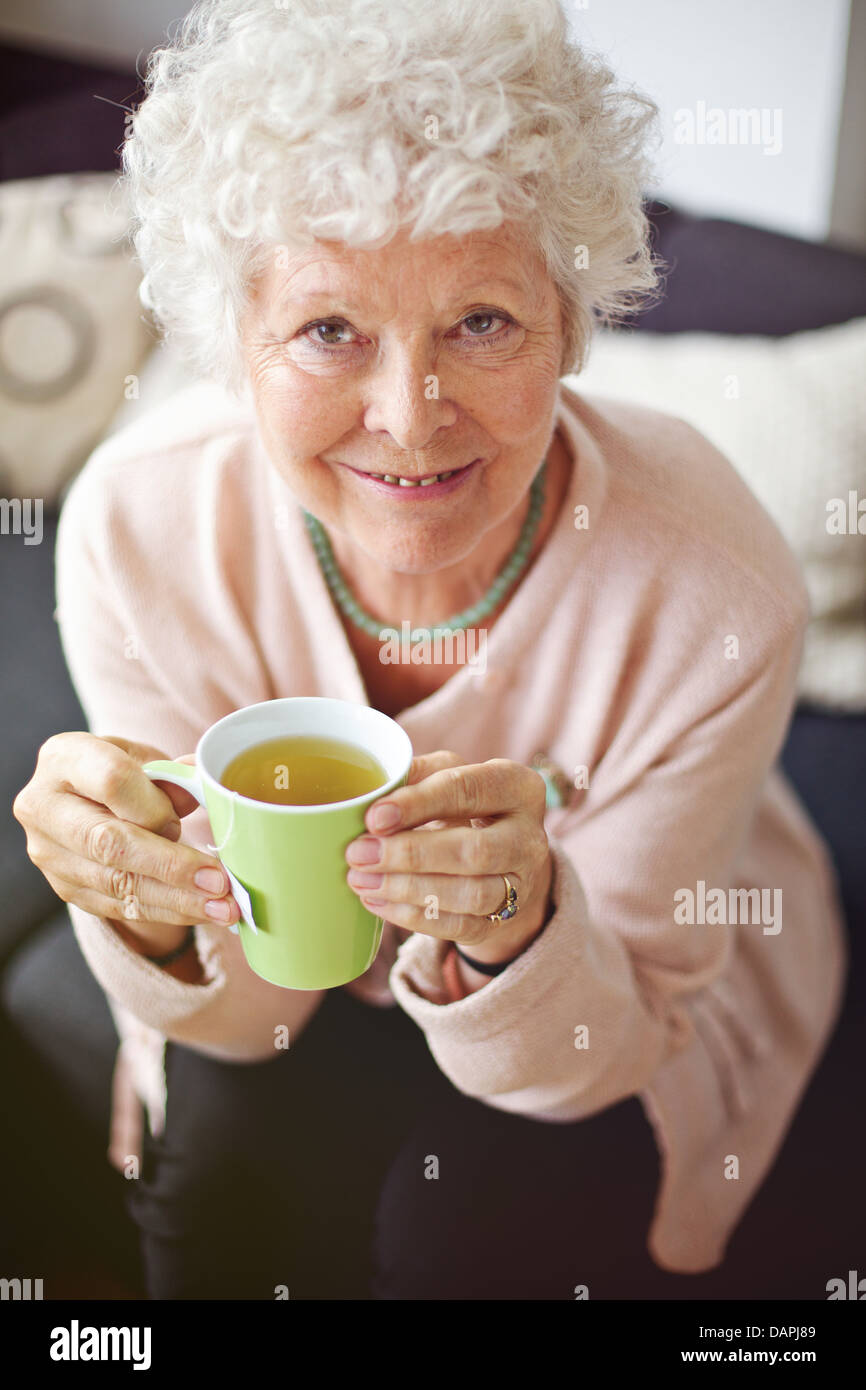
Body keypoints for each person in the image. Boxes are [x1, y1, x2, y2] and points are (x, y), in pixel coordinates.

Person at [13, 0, 846, 1299]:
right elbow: (246, 1021)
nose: (410, 418)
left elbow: (594, 1046)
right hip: (296, 991)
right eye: (329, 329)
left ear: (572, 323)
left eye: (482, 323)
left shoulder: (716, 586)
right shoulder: (138, 529)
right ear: (232, 339)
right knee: (222, 1169)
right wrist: (145, 917)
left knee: (462, 1237)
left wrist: (520, 932)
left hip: (619, 986)